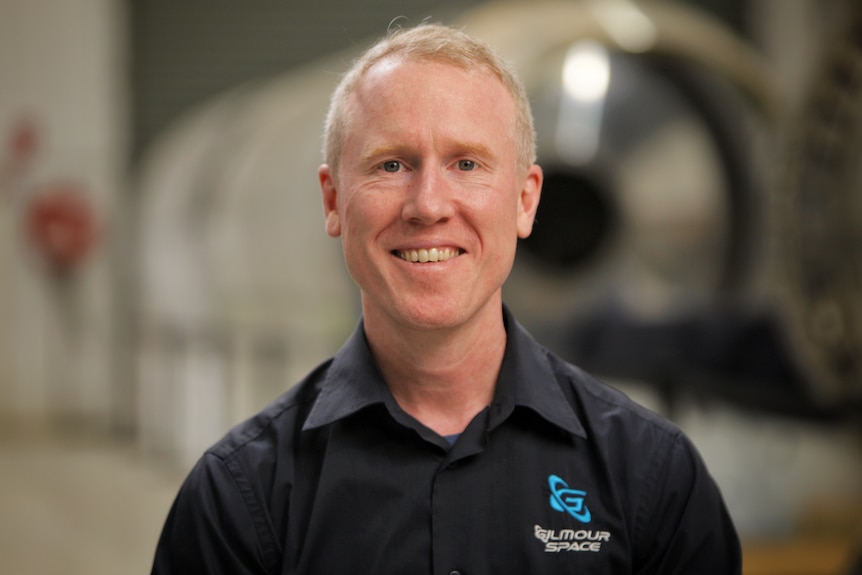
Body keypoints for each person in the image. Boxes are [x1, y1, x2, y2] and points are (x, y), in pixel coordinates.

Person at [151, 22, 741, 574]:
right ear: (333, 201)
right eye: (391, 164)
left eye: (466, 163)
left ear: (526, 200)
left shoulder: (653, 478)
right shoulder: (240, 497)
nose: (428, 204)